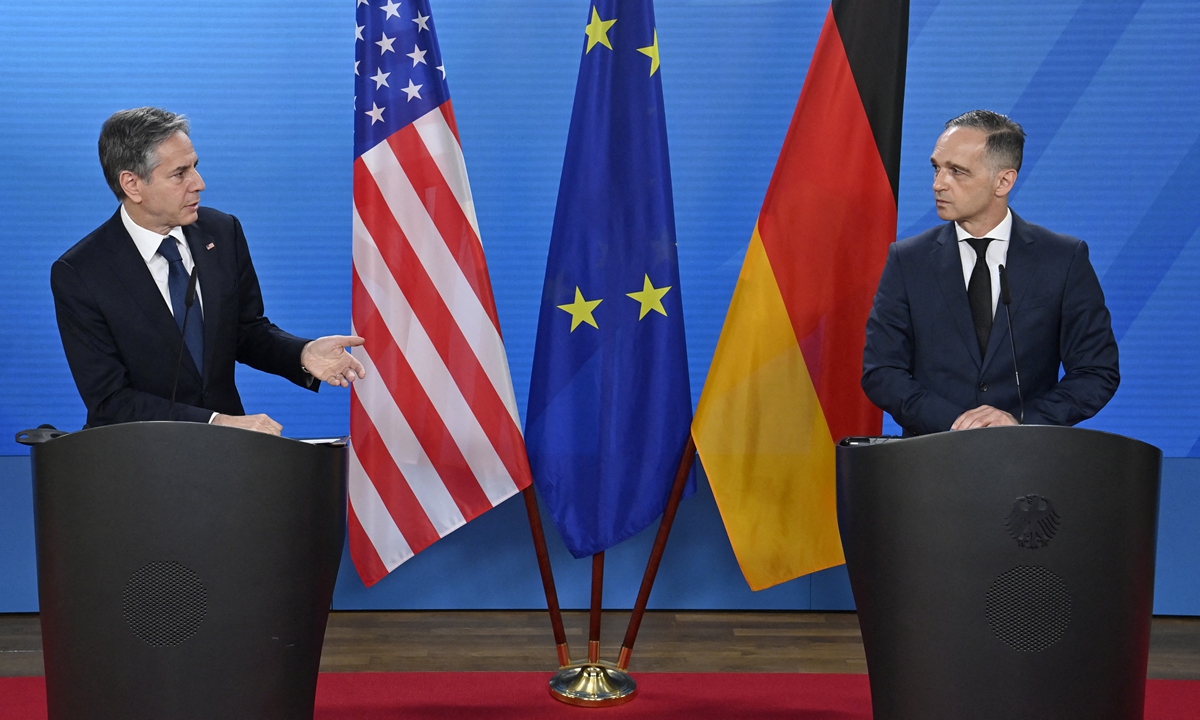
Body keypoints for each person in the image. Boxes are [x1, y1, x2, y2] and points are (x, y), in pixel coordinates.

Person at [52, 107, 366, 435]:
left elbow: (246, 331)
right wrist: (215, 423)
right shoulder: (81, 272)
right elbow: (110, 400)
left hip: (228, 455)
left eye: (195, 167)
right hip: (139, 454)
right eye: (179, 173)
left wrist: (301, 353)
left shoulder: (222, 231)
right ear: (132, 184)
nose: (199, 184)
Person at [862, 110, 1119, 436]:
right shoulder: (909, 260)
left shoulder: (1062, 259)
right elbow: (882, 371)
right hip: (932, 456)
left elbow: (1096, 371)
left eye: (957, 171)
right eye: (937, 168)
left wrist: (1022, 422)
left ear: (1003, 181)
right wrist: (956, 423)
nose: (938, 184)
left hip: (1026, 458)